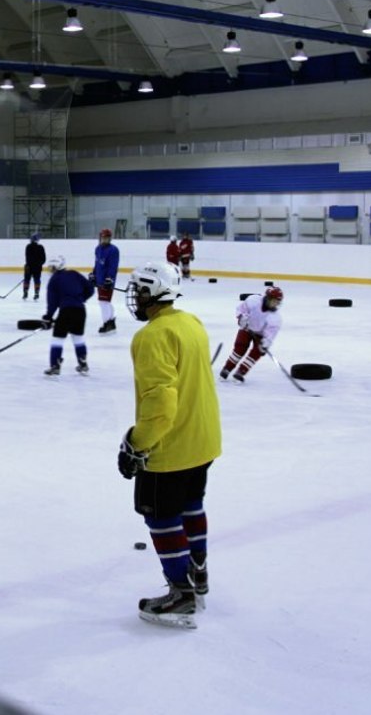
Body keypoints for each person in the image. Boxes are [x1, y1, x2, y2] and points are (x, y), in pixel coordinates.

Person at [116, 261, 221, 628]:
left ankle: (182, 594)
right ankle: (199, 575)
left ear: (151, 292)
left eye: (139, 291)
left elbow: (161, 404)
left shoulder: (152, 336)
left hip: (170, 447)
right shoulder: (191, 323)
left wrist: (136, 444)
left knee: (160, 515)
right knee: (191, 506)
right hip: (203, 440)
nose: (135, 298)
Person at [41, 255, 95, 376]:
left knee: (58, 338)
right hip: (81, 311)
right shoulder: (74, 274)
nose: (51, 270)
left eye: (53, 268)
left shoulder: (54, 280)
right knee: (78, 337)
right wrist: (80, 299)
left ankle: (55, 365)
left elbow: (52, 302)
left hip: (66, 311)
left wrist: (48, 317)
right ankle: (83, 362)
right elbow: (90, 289)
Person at [219, 287, 283, 382]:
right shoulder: (253, 300)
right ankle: (227, 368)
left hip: (261, 334)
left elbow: (270, 334)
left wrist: (266, 343)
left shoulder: (275, 318)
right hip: (247, 327)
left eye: (278, 302)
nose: (276, 304)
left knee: (257, 352)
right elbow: (240, 309)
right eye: (274, 301)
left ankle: (241, 372)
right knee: (240, 348)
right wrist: (242, 318)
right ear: (268, 298)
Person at [92, 228, 121, 333]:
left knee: (103, 302)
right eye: (104, 238)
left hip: (107, 281)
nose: (105, 240)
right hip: (100, 280)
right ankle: (111, 321)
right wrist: (93, 274)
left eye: (107, 238)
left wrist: (110, 278)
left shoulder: (113, 250)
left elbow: (113, 266)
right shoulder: (98, 249)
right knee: (104, 302)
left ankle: (107, 323)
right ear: (100, 238)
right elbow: (97, 264)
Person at [23, 232, 46, 301]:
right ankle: (36, 293)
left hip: (29, 267)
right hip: (37, 268)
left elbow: (27, 258)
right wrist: (39, 265)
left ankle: (25, 293)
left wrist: (29, 265)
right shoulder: (40, 247)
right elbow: (43, 259)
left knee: (27, 280)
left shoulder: (28, 247)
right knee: (37, 280)